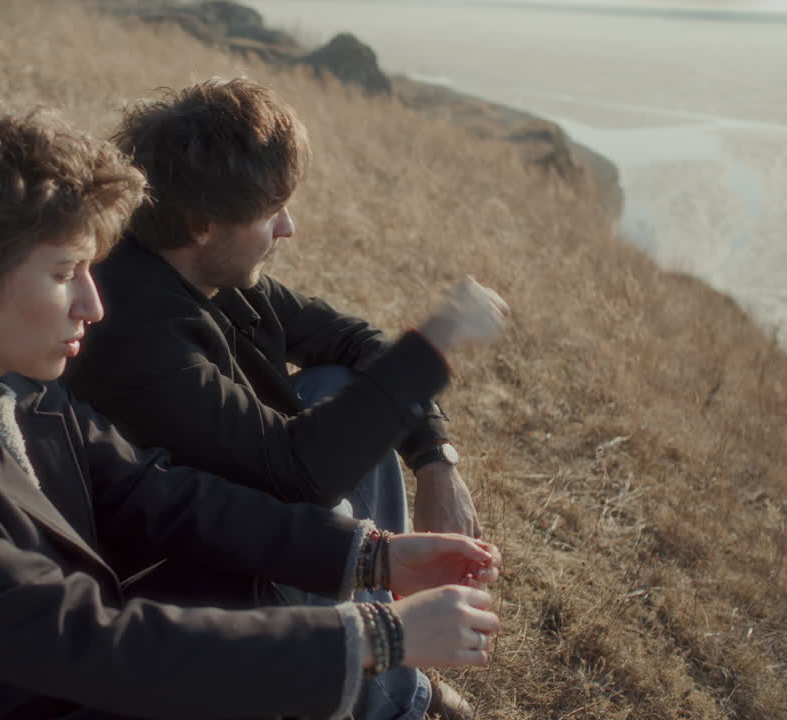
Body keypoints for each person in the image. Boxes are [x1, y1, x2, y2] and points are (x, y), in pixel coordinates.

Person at [0, 105, 503, 720]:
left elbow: (157, 495)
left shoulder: (11, 382)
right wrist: (379, 631)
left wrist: (373, 558)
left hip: (15, 679)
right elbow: (85, 640)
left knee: (243, 604)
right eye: (67, 273)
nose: (94, 304)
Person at [62, 78, 510, 719]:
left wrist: (435, 456)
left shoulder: (209, 270)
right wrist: (436, 340)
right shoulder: (135, 329)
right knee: (331, 468)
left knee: (347, 388)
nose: (289, 227)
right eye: (273, 209)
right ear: (201, 224)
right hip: (164, 579)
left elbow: (356, 343)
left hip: (234, 529)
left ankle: (384, 666)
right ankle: (393, 690)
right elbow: (298, 474)